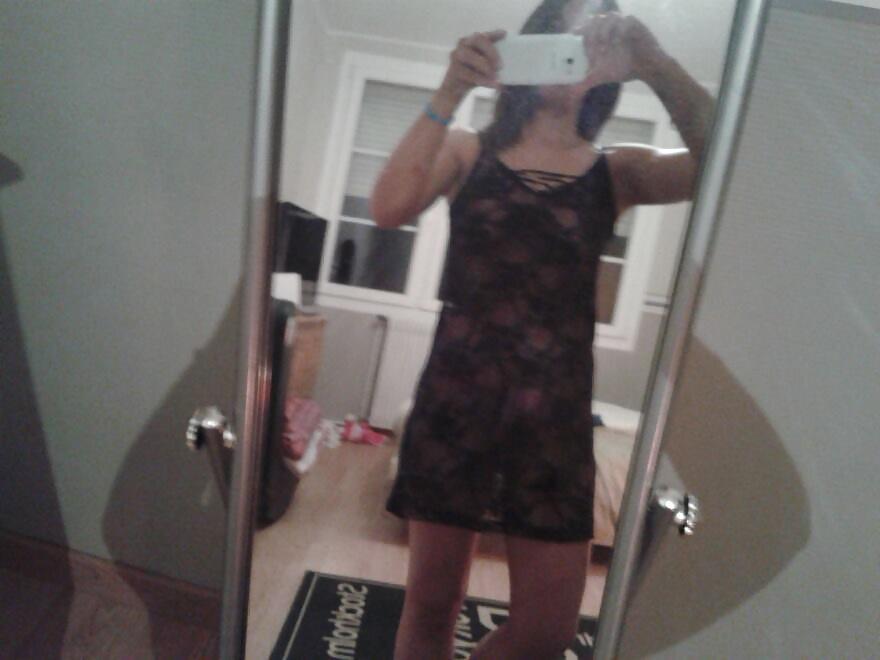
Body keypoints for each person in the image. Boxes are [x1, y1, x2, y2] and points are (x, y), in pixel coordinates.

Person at [372, 1, 714, 657]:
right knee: (432, 603)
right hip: (455, 403)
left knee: (547, 633)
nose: (572, 45)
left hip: (554, 423)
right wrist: (449, 91)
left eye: (592, 36)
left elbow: (727, 159)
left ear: (606, 67)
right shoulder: (467, 151)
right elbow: (387, 206)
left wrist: (656, 64)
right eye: (559, 30)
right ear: (528, 46)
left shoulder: (619, 171)